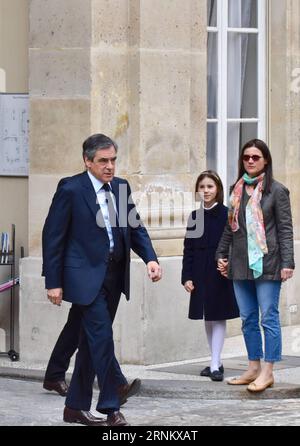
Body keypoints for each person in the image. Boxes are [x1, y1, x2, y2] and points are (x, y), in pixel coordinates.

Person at [42, 133, 162, 426]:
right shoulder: (71, 189)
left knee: (90, 342)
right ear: (87, 161)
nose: (110, 166)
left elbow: (135, 228)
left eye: (113, 160)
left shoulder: (120, 187)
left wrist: (151, 258)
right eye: (103, 161)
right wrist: (52, 281)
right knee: (102, 338)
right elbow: (52, 237)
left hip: (114, 276)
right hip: (83, 277)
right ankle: (112, 406)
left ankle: (74, 408)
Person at [216, 139, 294, 392]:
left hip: (268, 263)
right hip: (239, 263)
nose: (250, 161)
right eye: (246, 157)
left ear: (265, 160)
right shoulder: (236, 190)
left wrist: (288, 263)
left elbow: (284, 229)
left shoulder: (277, 191)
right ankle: (252, 368)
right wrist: (221, 254)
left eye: (255, 157)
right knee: (248, 318)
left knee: (268, 318)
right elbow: (230, 227)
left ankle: (268, 371)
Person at [181, 170, 239, 382]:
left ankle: (215, 363)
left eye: (210, 187)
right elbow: (188, 248)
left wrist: (229, 264)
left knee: (218, 314)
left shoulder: (227, 213)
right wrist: (186, 276)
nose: (205, 191)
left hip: (219, 269)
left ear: (218, 190)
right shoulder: (194, 216)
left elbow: (236, 243)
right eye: (202, 187)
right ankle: (216, 360)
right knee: (206, 314)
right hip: (198, 270)